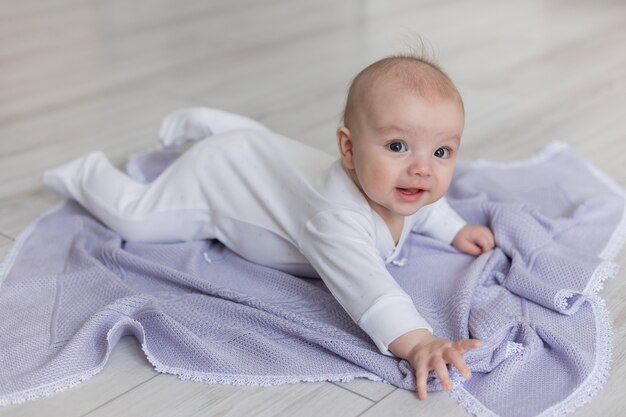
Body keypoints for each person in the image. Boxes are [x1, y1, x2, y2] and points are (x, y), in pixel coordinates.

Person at [43, 55, 495, 400]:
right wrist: (419, 342)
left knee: (264, 149)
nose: (422, 170)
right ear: (349, 149)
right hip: (219, 180)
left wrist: (454, 229)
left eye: (441, 152)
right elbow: (371, 290)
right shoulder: (335, 218)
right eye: (398, 145)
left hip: (262, 156)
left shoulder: (400, 185)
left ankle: (216, 125)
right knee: (136, 219)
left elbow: (425, 207)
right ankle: (87, 172)